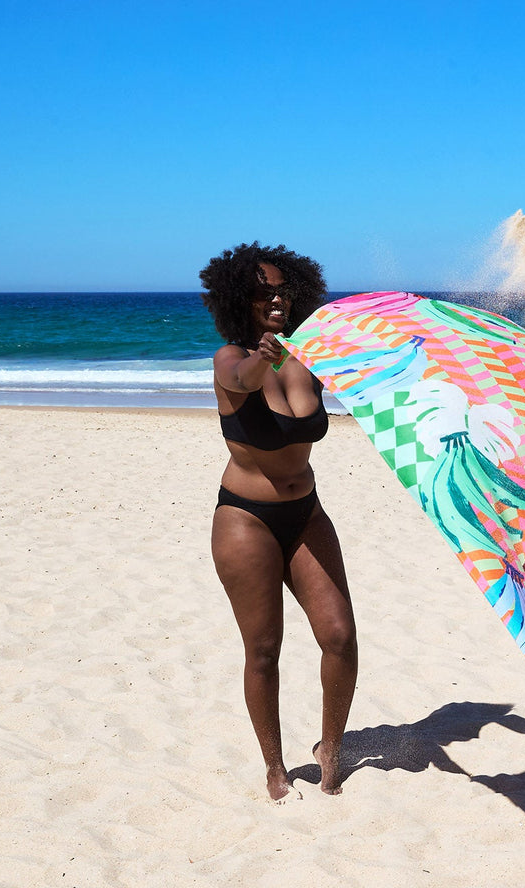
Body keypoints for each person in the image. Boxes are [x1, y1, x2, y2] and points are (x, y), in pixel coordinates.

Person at [200, 242, 357, 802]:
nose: (276, 299)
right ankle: (274, 766)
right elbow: (242, 378)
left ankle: (330, 749)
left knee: (339, 636)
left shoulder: (307, 359)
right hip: (246, 518)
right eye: (264, 290)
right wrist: (263, 356)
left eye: (284, 290)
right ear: (238, 298)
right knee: (264, 649)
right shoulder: (230, 358)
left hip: (306, 511)